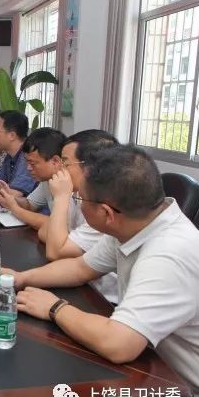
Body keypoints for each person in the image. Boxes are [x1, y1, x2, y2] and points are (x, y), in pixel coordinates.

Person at [7, 145, 199, 397]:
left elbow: (118, 344)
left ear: (106, 212)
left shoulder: (169, 254)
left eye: (80, 198)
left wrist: (55, 307)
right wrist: (21, 277)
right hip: (157, 364)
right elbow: (80, 268)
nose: (78, 202)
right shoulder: (135, 223)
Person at [41, 130, 119, 303]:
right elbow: (44, 233)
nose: (60, 169)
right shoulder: (76, 193)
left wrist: (61, 198)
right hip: (79, 281)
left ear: (91, 168)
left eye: (65, 163)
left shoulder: (104, 207)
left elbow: (54, 252)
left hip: (103, 298)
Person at [0, 127, 66, 231]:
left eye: (33, 163)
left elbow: (52, 223)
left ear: (55, 161)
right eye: (27, 162)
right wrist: (10, 197)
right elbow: (30, 205)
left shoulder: (69, 185)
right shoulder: (47, 180)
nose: (28, 168)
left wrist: (14, 208)